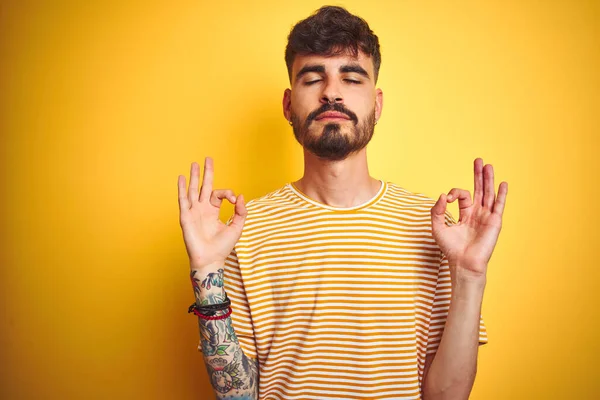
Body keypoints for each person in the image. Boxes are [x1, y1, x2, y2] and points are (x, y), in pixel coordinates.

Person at [177, 5, 508, 400]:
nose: (331, 92)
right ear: (287, 105)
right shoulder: (239, 232)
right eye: (313, 78)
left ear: (378, 104)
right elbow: (239, 396)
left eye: (351, 78)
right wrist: (207, 271)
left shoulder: (437, 231)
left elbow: (446, 397)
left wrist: (469, 274)